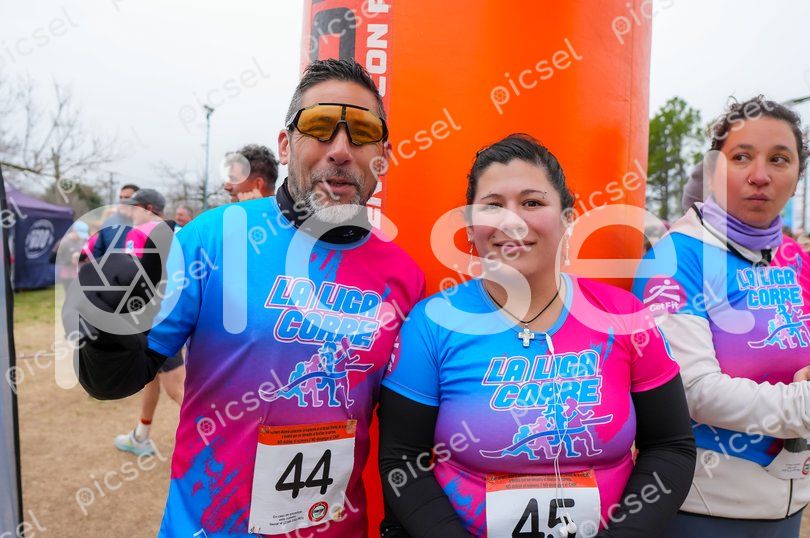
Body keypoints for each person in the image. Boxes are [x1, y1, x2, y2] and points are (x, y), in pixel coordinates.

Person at [67, 58, 424, 537]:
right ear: (286, 144)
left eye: (362, 133)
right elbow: (112, 381)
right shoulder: (215, 237)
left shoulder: (405, 276)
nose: (340, 150)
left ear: (383, 155)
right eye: (319, 126)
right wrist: (106, 328)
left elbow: (407, 437)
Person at [379, 134, 695, 537]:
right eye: (493, 206)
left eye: (531, 203)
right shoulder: (432, 323)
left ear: (567, 219)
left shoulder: (625, 316)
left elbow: (671, 447)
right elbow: (402, 460)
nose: (512, 222)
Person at [634, 96, 810, 537]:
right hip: (702, 509)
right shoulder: (676, 258)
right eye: (742, 157)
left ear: (797, 178)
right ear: (714, 172)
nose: (760, 175)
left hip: (791, 506)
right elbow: (693, 392)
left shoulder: (794, 257)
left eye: (779, 159)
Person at [111, 188, 186, 457]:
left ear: (149, 209)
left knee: (177, 389)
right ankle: (141, 436)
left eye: (134, 208)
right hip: (175, 316)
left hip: (157, 321)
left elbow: (129, 278)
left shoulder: (142, 233)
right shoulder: (180, 232)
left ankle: (221, 441)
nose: (129, 213)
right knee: (151, 378)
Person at [90, 183, 139, 259]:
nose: (123, 201)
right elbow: (98, 252)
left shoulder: (143, 225)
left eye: (127, 198)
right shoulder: (109, 224)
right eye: (121, 197)